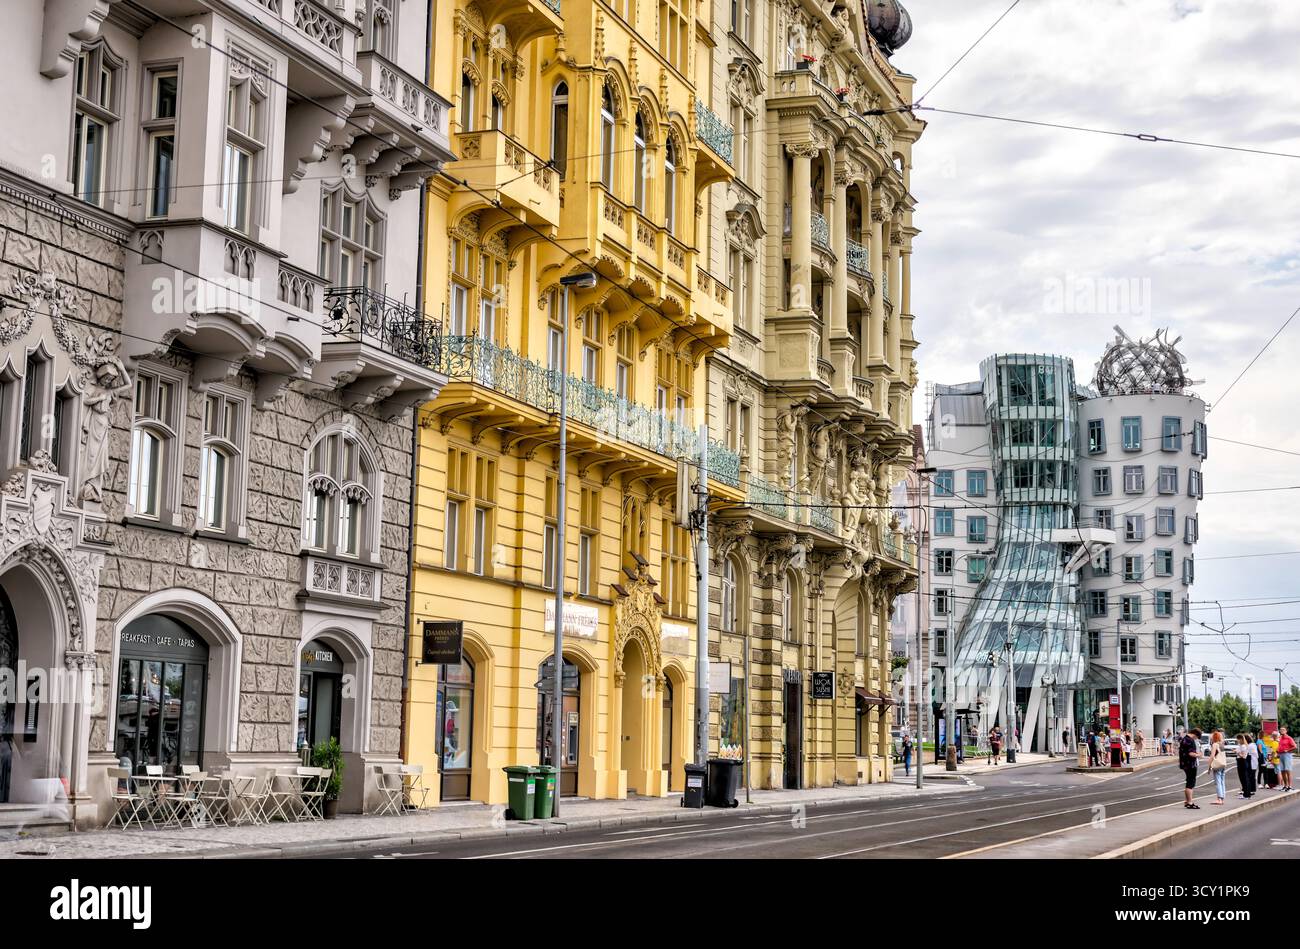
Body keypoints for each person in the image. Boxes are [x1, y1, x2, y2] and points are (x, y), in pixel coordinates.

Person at [1178, 728, 1202, 808]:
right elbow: (1191, 753)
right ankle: (1190, 802)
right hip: (1190, 764)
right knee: (1190, 783)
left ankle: (1187, 801)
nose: (1196, 739)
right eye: (1197, 737)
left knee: (1189, 781)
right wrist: (1198, 755)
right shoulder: (1190, 740)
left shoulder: (1184, 739)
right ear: (1195, 734)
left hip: (1184, 763)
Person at [1208, 730, 1228, 805]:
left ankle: (1219, 798)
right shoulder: (1221, 744)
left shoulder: (1215, 744)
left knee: (1218, 782)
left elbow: (1212, 756)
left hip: (1217, 765)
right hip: (1223, 764)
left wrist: (1209, 766)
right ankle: (1222, 798)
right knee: (1222, 781)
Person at [1235, 733, 1253, 799]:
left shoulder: (1243, 746)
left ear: (1241, 739)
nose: (1237, 740)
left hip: (1242, 762)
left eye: (1238, 739)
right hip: (1241, 762)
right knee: (1244, 778)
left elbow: (1244, 756)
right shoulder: (1242, 745)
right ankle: (1246, 793)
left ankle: (1246, 794)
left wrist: (1237, 753)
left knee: (1244, 778)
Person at [1278, 727, 1296, 791]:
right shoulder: (1280, 738)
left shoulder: (1289, 738)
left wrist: (1287, 750)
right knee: (1282, 771)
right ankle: (1285, 786)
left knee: (1288, 770)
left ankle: (1290, 786)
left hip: (1287, 755)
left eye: (1283, 730)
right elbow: (1279, 746)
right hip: (1280, 755)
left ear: (1286, 731)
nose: (1281, 731)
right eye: (1280, 730)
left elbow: (1294, 746)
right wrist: (1278, 752)